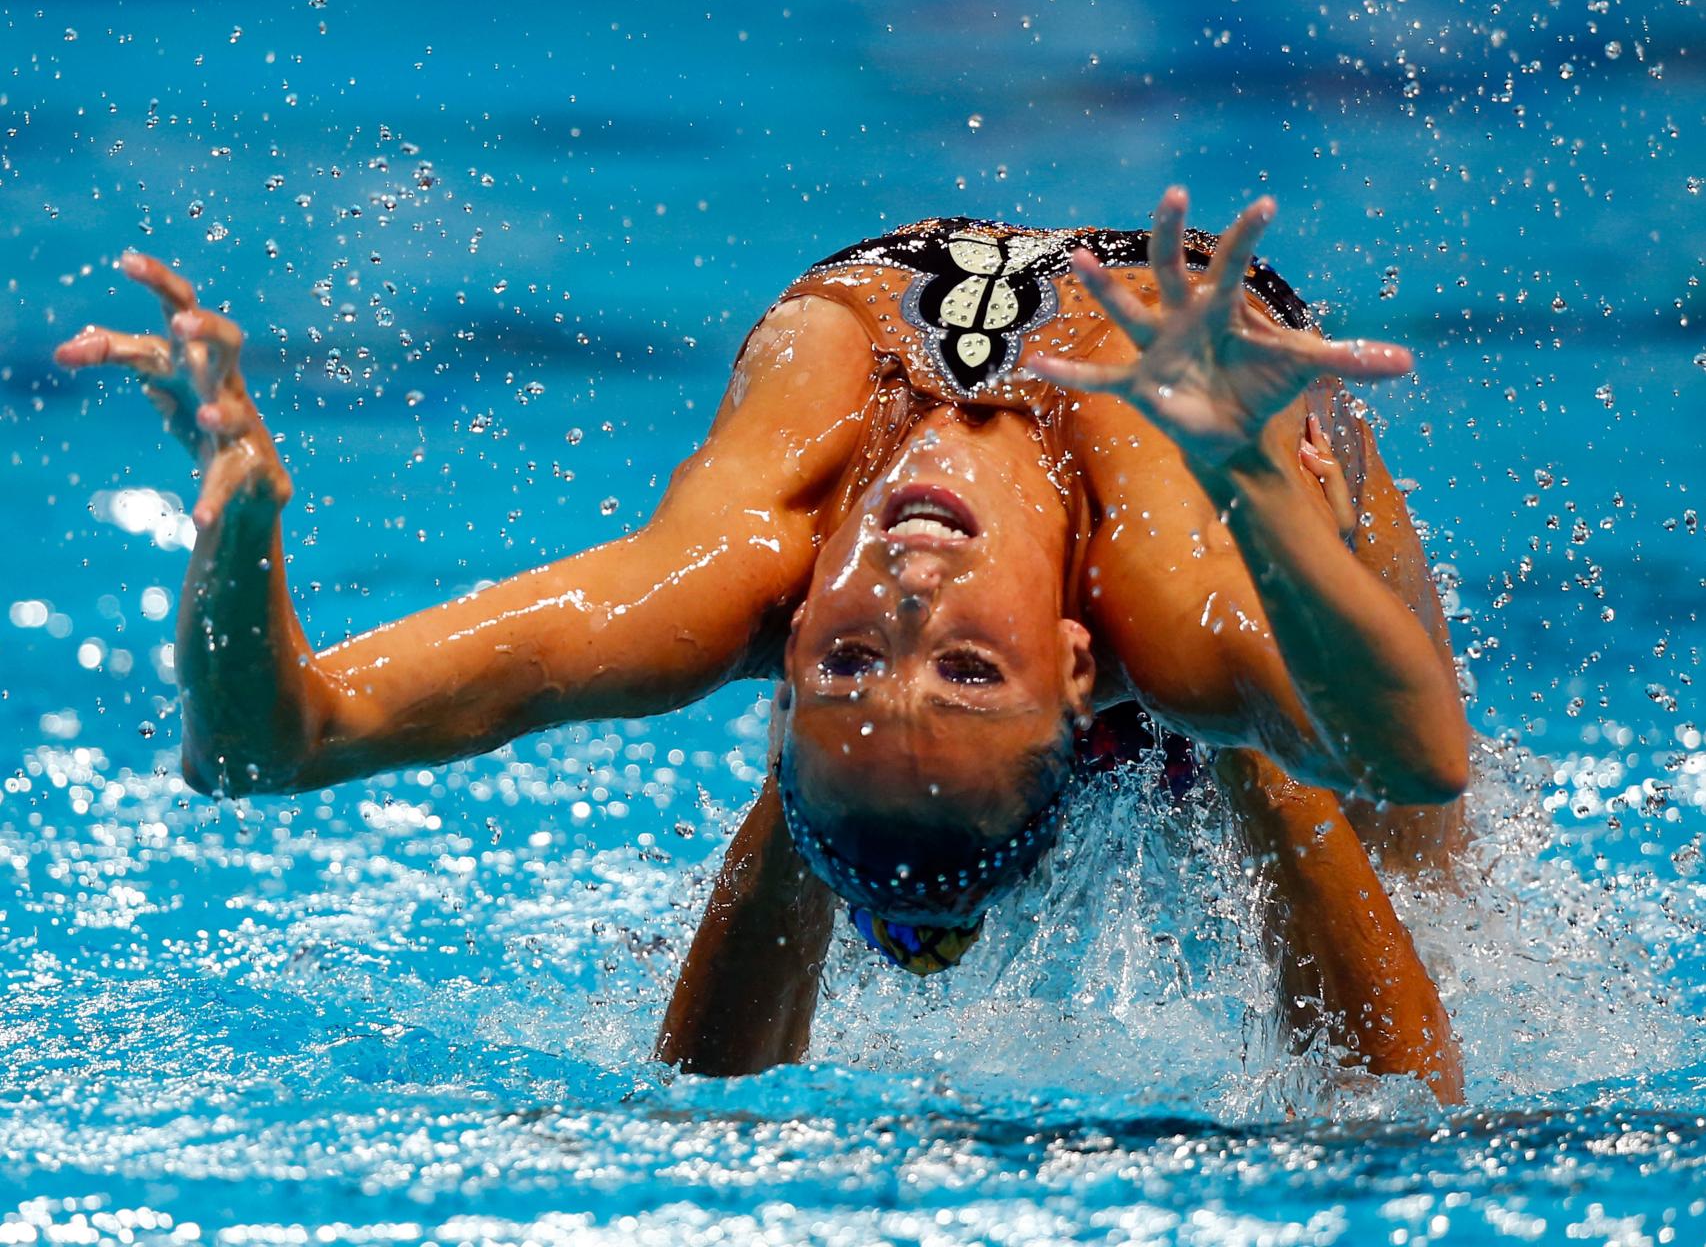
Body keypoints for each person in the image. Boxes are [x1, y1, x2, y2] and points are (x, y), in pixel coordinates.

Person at [55, 187, 1469, 1104]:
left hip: (936, 671)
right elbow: (1413, 754)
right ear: (1071, 660)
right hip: (1227, 513)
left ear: (787, 649)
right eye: (966, 666)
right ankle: (895, 793)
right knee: (1262, 737)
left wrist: (234, 518)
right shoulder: (1163, 591)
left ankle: (841, 795)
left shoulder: (736, 575)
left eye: (850, 656)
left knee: (860, 778)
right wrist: (1248, 479)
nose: (910, 607)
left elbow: (266, 746)